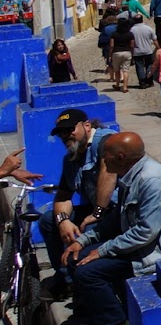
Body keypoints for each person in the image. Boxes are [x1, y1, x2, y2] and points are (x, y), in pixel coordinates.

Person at [64, 132, 161, 325]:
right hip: (138, 248)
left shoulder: (153, 181)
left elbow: (146, 232)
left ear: (120, 158)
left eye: (105, 155)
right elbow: (117, 218)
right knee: (76, 258)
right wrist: (83, 241)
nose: (102, 160)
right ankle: (101, 314)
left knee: (88, 272)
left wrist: (103, 250)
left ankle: (118, 324)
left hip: (158, 254)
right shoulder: (129, 176)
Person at [43, 111, 117, 297]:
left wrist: (98, 212)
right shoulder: (71, 159)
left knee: (86, 230)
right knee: (48, 221)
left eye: (70, 130)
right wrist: (63, 220)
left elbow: (108, 173)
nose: (65, 136)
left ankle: (85, 289)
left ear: (86, 126)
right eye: (61, 133)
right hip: (96, 212)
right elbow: (62, 197)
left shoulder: (105, 142)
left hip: (118, 213)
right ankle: (67, 280)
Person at [129, 15, 157, 88]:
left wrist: (131, 52)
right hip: (148, 51)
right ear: (142, 20)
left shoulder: (131, 30)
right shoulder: (148, 28)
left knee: (139, 67)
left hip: (137, 51)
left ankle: (142, 82)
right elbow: (155, 40)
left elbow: (131, 43)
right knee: (149, 65)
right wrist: (158, 48)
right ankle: (149, 80)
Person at [108, 17, 134, 93]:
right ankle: (125, 87)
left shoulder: (114, 34)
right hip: (127, 52)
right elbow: (132, 45)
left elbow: (112, 45)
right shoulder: (130, 34)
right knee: (126, 70)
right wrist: (132, 53)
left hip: (116, 53)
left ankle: (117, 85)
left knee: (117, 70)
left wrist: (110, 55)